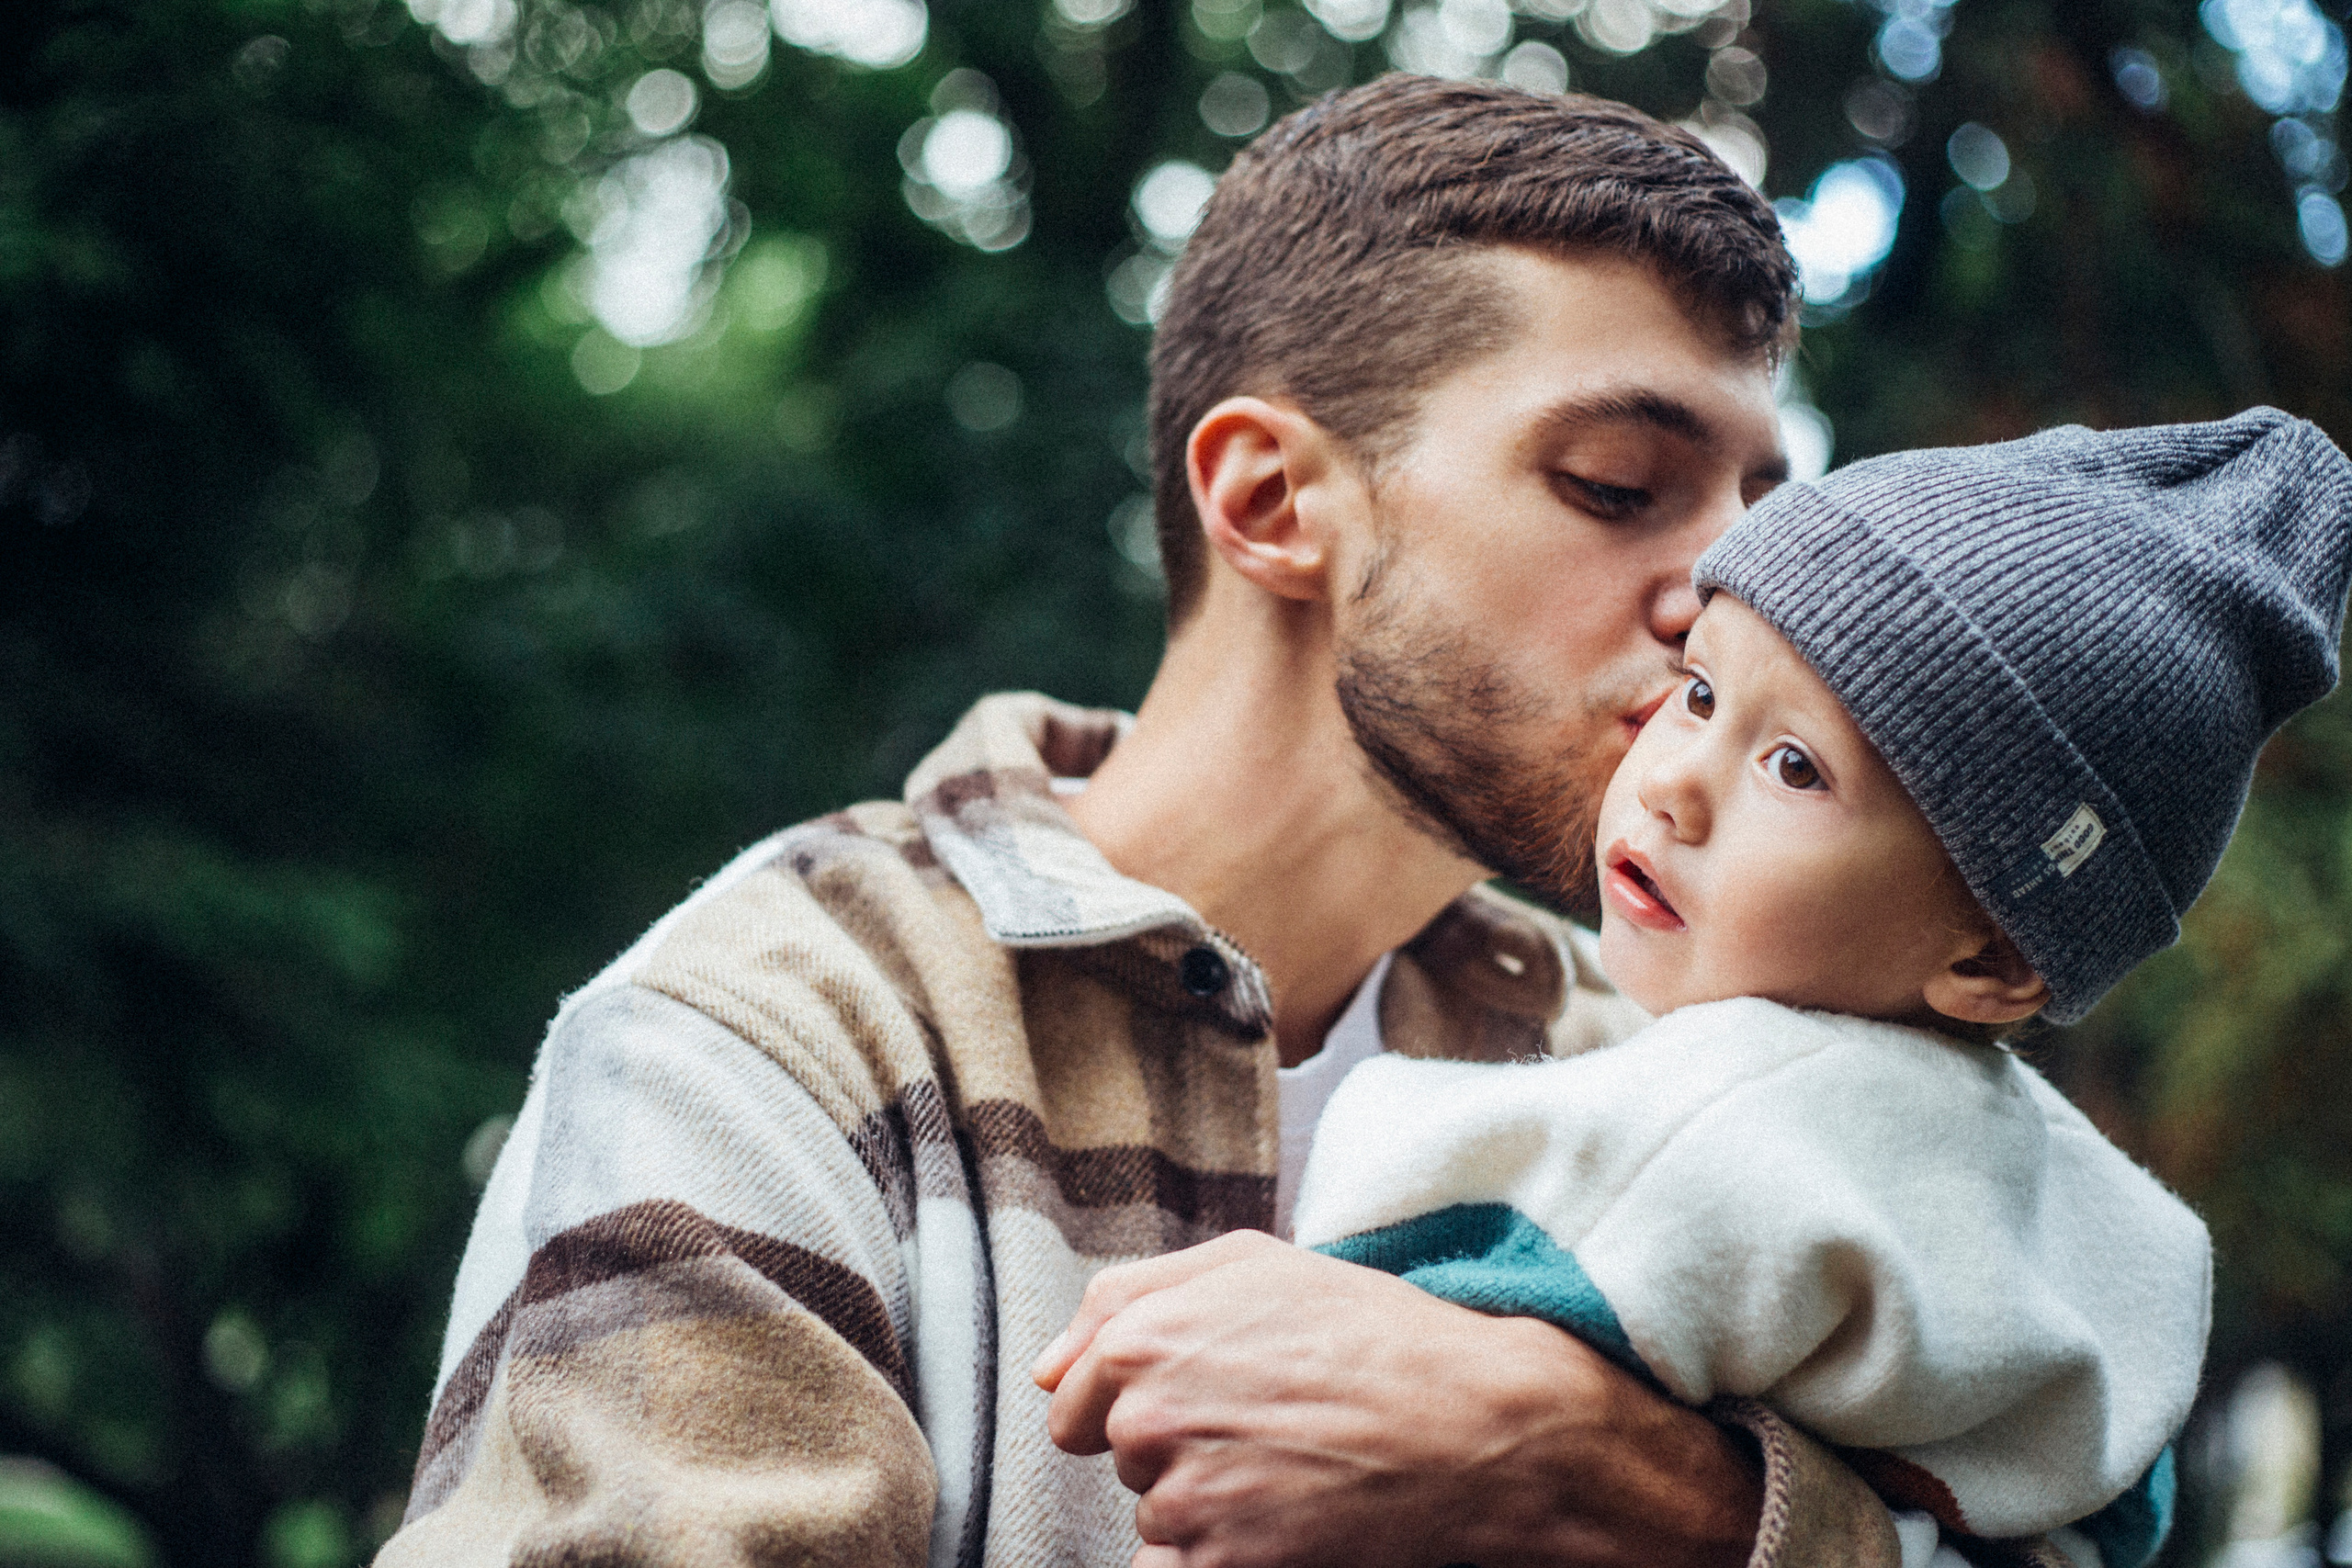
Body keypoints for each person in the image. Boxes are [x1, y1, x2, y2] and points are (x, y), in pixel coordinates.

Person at [379, 75, 1935, 1568]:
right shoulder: (768, 1041)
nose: (1732, 596)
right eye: (1617, 482)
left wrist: (1596, 1472)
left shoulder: (1681, 1067)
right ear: (1267, 502)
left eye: (1760, 515)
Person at [1272, 411, 2352, 1568]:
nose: (1673, 784)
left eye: (1794, 767)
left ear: (1991, 959)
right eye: (1697, 693)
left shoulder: (1721, 1118)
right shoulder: (2092, 1220)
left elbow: (1352, 1318)